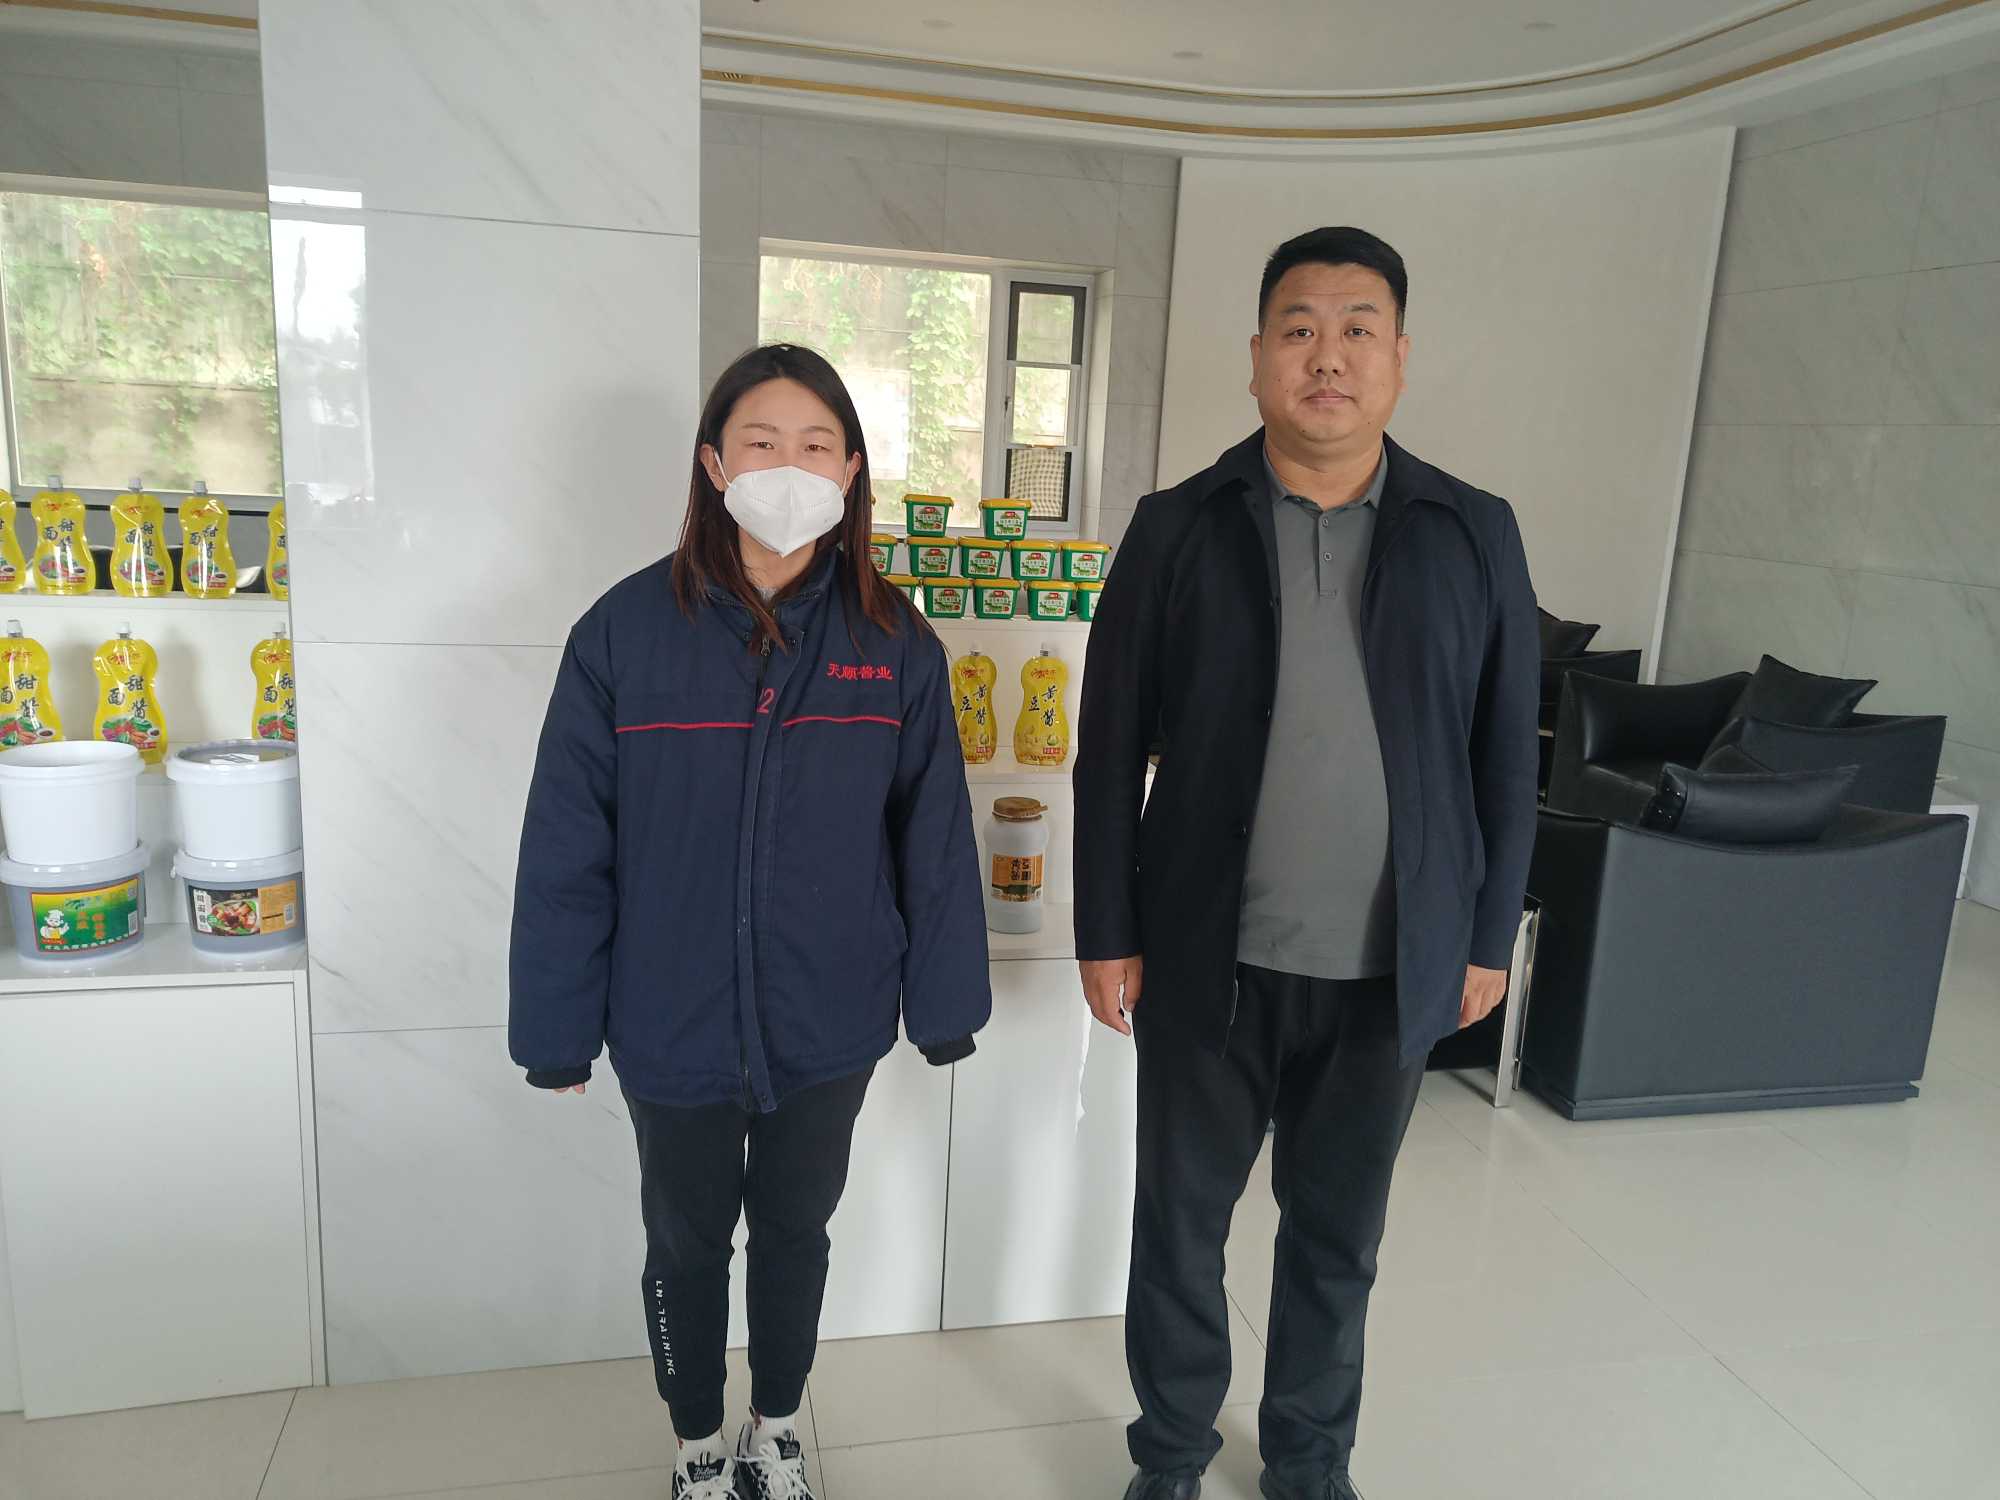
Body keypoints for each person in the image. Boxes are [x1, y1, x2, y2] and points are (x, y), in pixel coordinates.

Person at [1075, 227, 1539, 1500]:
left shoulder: (1471, 531)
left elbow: (1504, 758)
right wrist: (1105, 928)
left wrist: (1484, 934)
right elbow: (1107, 749)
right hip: (1202, 959)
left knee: (1337, 1239)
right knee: (1179, 1231)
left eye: (1354, 328)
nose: (1324, 355)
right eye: (1297, 328)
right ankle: (1170, 1456)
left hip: (1389, 971)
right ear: (1255, 357)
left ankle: (1307, 1461)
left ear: (1397, 357)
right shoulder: (1177, 527)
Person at [509, 344, 991, 1500]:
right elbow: (567, 844)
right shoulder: (624, 632)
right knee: (682, 1244)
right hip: (667, 1013)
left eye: (816, 445)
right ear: (714, 464)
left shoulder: (893, 643)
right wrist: (557, 1030)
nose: (788, 466)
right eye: (762, 442)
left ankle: (774, 1429)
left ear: (851, 471)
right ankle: (694, 1445)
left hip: (827, 1013)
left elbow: (931, 839)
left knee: (794, 1233)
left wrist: (943, 1007)